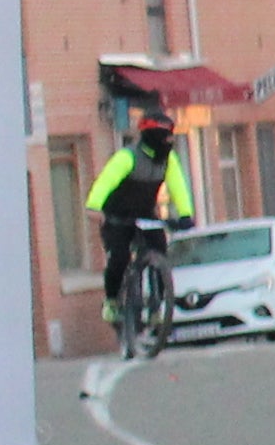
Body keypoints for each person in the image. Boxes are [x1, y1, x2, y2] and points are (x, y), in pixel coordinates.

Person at [82, 109, 195, 336]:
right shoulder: (127, 157)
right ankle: (112, 302)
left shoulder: (168, 160)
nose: (169, 141)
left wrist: (185, 214)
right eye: (165, 136)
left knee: (159, 251)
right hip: (116, 216)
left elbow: (178, 187)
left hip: (145, 214)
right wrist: (94, 207)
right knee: (120, 256)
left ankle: (157, 305)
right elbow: (105, 182)